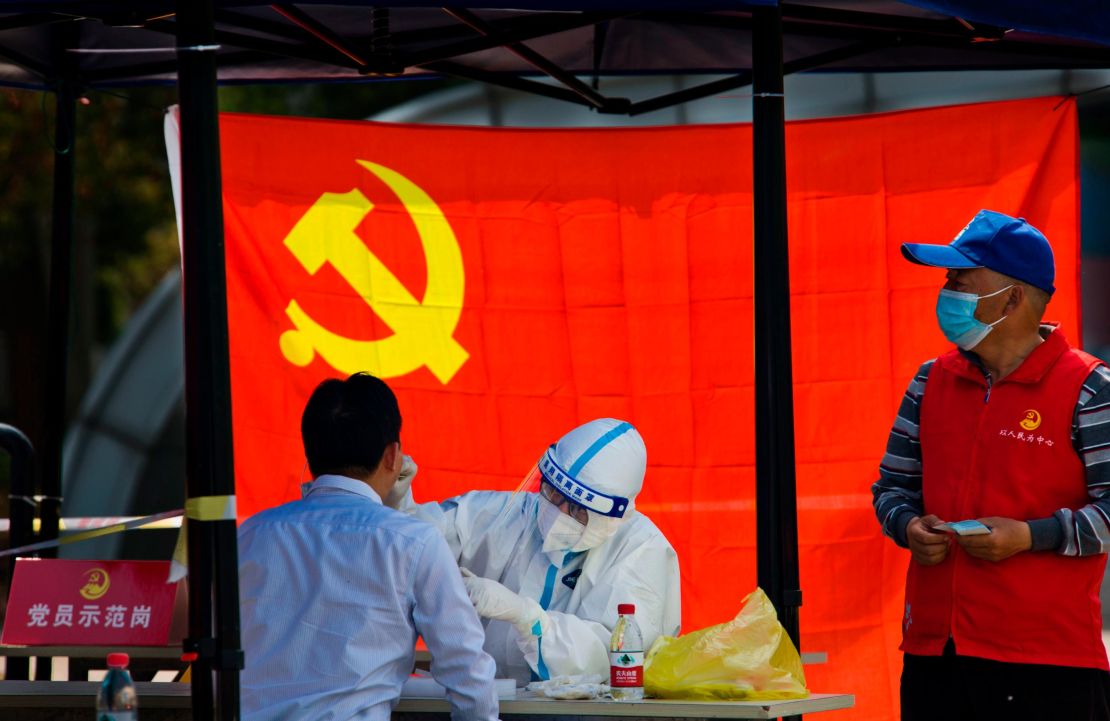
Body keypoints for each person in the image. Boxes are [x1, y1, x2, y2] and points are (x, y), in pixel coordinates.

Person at [872, 209, 1110, 720]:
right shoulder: (929, 380)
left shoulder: (1090, 388)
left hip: (1048, 662)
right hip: (935, 653)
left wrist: (1030, 536)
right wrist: (909, 525)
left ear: (1013, 297)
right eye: (948, 277)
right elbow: (891, 488)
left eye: (961, 277)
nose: (947, 288)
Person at [238, 373, 499, 721]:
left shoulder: (251, 534)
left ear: (310, 453)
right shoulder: (415, 541)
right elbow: (467, 669)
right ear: (393, 456)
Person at [387, 418, 681, 686]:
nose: (558, 513)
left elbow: (613, 655)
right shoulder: (508, 514)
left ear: (615, 515)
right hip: (482, 701)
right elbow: (413, 545)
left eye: (578, 510)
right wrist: (395, 501)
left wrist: (526, 617)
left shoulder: (642, 549)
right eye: (553, 493)